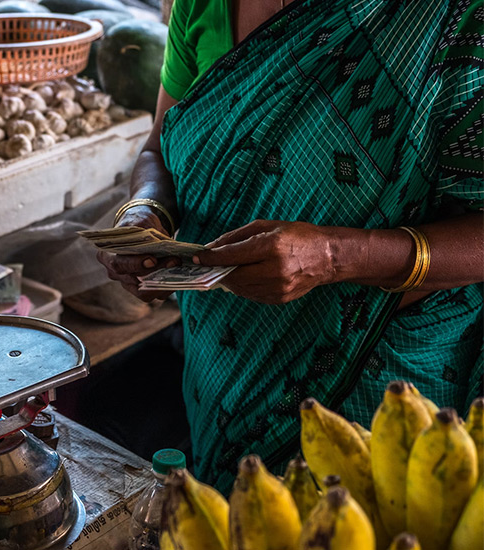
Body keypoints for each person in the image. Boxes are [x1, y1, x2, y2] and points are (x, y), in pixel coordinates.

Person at [98, 0, 483, 492]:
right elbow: (158, 147)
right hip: (223, 362)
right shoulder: (202, 5)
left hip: (379, 382)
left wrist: (332, 256)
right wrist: (145, 212)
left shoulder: (448, 21)